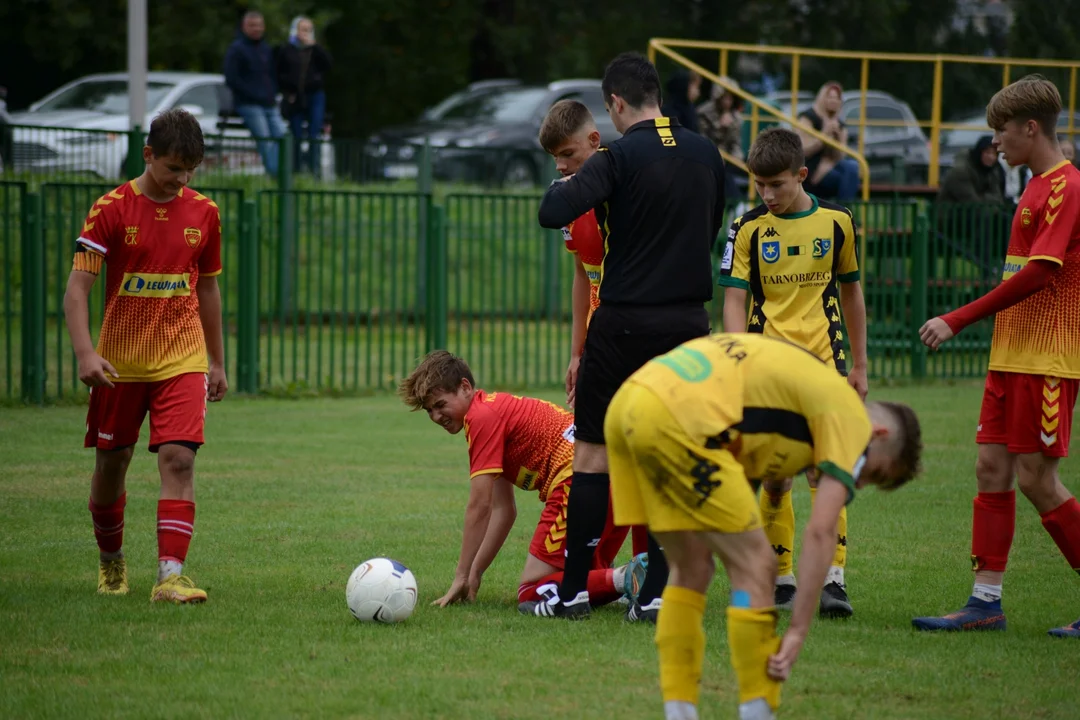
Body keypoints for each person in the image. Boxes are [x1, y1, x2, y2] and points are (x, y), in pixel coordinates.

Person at [606, 333, 922, 720]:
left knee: (691, 570)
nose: (856, 484)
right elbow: (821, 532)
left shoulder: (798, 406)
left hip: (629, 404)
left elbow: (739, 474)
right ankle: (758, 711)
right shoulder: (852, 417)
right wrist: (797, 631)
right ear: (879, 434)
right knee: (758, 566)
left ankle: (679, 712)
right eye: (871, 472)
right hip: (681, 418)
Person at [533, 51, 727, 622]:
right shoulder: (707, 153)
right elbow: (709, 225)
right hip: (689, 325)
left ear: (616, 103)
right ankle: (658, 595)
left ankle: (569, 593)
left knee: (593, 454)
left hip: (621, 324)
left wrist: (574, 180)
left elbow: (554, 210)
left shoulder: (617, 156)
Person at [914, 74, 1080, 639]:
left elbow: (1039, 274)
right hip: (1010, 356)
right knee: (991, 468)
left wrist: (957, 317)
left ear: (1030, 128)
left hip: (1047, 358)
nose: (996, 143)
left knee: (1037, 479)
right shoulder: (1030, 186)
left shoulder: (1065, 186)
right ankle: (985, 602)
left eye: (1001, 131)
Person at [63, 108, 227, 604]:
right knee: (113, 464)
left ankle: (170, 576)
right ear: (148, 155)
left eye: (190, 171)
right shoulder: (110, 209)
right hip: (120, 364)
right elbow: (77, 290)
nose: (181, 180)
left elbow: (209, 291)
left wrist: (216, 362)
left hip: (182, 357)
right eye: (173, 168)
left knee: (179, 459)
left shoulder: (205, 212)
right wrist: (86, 353)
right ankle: (111, 563)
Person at [719, 127, 868, 619]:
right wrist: (739, 361)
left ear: (802, 175)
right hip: (767, 370)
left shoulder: (838, 222)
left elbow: (851, 292)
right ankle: (780, 578)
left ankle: (832, 581)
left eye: (777, 185)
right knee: (775, 476)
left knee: (824, 469)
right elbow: (735, 299)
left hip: (826, 364)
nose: (767, 194)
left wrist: (860, 364)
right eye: (759, 185)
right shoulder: (746, 229)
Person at [398, 350, 644, 611]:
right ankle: (637, 577)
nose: (436, 417)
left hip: (578, 481)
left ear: (465, 387)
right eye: (429, 411)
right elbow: (503, 511)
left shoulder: (480, 418)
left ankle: (627, 577)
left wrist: (460, 575)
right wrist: (475, 573)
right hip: (616, 476)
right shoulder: (494, 411)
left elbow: (480, 505)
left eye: (440, 405)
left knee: (531, 591)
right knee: (586, 579)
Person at [538, 98, 651, 581]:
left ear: (594, 141)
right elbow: (583, 278)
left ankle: (650, 569)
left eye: (567, 154)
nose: (561, 167)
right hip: (600, 347)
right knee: (598, 453)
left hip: (638, 340)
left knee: (644, 450)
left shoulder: (626, 192)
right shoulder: (570, 201)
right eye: (554, 159)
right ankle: (594, 569)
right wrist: (576, 353)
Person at [224, 9, 286, 176]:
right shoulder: (236, 49)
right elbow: (231, 78)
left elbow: (272, 74)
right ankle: (275, 176)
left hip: (269, 102)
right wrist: (252, 94)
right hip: (248, 103)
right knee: (265, 139)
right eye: (252, 25)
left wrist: (273, 92)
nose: (256, 29)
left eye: (259, 25)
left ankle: (283, 174)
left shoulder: (265, 49)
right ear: (244, 26)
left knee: (282, 136)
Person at [276, 15, 332, 176]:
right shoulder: (286, 50)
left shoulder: (315, 50)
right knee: (296, 133)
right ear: (295, 30)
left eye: (309, 30)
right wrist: (288, 92)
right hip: (295, 97)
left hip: (314, 95)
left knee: (314, 132)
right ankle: (297, 170)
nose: (305, 33)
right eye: (302, 29)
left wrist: (315, 46)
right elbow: (279, 73)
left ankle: (314, 170)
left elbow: (328, 65)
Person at [796, 81, 860, 203]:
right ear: (822, 98)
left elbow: (840, 156)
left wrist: (837, 138)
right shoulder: (808, 118)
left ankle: (844, 211)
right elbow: (804, 150)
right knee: (847, 174)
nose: (833, 101)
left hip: (831, 165)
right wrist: (824, 135)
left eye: (837, 98)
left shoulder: (840, 125)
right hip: (810, 167)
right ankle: (845, 211)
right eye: (830, 97)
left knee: (852, 166)